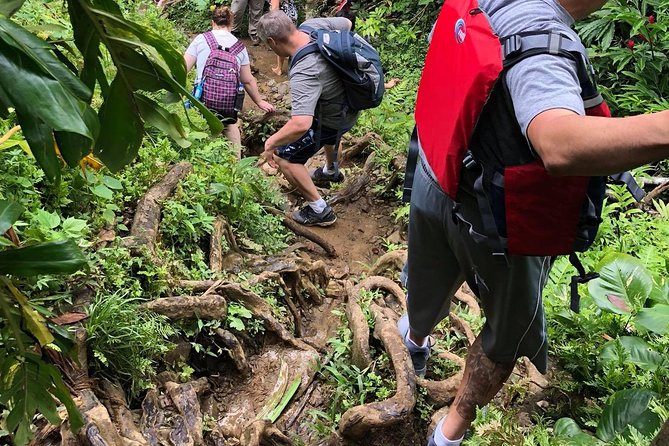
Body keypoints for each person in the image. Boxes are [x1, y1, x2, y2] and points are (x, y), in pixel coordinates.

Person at [400, 1, 669, 446]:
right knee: (505, 338)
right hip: (498, 227)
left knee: (428, 278)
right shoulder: (544, 44)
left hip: (438, 172)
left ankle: (414, 342)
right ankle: (447, 435)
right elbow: (559, 144)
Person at [256, 11, 360, 226]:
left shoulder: (304, 71)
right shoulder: (314, 26)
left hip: (332, 118)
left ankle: (320, 210)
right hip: (352, 103)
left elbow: (301, 124)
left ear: (271, 41)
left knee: (286, 158)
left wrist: (270, 144)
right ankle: (330, 172)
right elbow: (348, 23)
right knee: (328, 136)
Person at [184, 6, 274, 155]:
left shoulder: (201, 39)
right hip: (227, 104)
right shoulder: (239, 47)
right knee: (231, 126)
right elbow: (247, 80)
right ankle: (236, 165)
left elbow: (183, 67)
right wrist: (259, 102)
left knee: (202, 134)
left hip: (202, 102)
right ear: (231, 25)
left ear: (213, 23)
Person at [269, 0, 298, 76]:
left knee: (280, 43)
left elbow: (275, 9)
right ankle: (295, 65)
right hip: (292, 16)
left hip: (283, 19)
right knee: (292, 42)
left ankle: (279, 69)